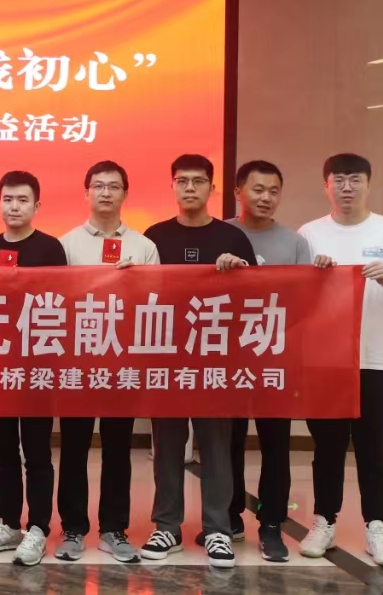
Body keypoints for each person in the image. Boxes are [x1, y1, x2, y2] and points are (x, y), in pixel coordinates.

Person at [299, 153, 383, 568]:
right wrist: (314, 276)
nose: (347, 187)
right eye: (338, 179)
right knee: (328, 448)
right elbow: (294, 297)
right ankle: (324, 521)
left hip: (377, 361)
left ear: (368, 184)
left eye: (355, 179)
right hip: (325, 362)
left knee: (374, 449)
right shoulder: (309, 234)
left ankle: (377, 526)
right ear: (326, 186)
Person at [142, 154, 256, 569]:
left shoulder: (232, 238)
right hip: (167, 357)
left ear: (212, 188)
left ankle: (217, 530)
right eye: (182, 181)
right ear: (172, 186)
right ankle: (167, 527)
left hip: (216, 359)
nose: (190, 188)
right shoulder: (153, 238)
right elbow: (139, 296)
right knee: (167, 446)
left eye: (198, 181)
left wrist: (238, 271)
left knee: (216, 446)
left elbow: (255, 297)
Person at [54, 160, 161, 565]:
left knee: (118, 448)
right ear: (86, 193)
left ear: (125, 194)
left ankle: (114, 529)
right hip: (78, 363)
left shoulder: (143, 246)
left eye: (113, 186)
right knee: (74, 448)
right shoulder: (65, 245)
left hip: (122, 364)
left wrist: (138, 281)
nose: (105, 192)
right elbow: (54, 302)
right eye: (98, 185)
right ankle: (73, 528)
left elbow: (158, 302)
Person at [0, 171, 67, 566]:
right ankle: (9, 523)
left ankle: (38, 527)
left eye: (22, 200)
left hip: (38, 366)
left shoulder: (50, 248)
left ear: (37, 206)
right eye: (8, 199)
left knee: (37, 451)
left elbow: (60, 302)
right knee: (3, 449)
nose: (14, 206)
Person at [227, 160, 311, 563]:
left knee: (276, 444)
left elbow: (306, 303)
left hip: (275, 358)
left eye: (273, 191)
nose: (266, 198)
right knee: (228, 442)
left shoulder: (294, 243)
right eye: (257, 189)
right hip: (228, 358)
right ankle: (228, 518)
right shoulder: (221, 234)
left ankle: (272, 524)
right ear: (238, 191)